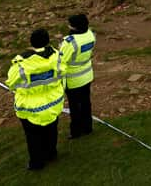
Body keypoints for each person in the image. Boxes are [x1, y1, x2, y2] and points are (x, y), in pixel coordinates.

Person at [6, 29, 65, 170]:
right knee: (51, 131)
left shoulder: (22, 63)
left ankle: (37, 163)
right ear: (47, 41)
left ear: (31, 42)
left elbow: (11, 82)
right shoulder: (56, 56)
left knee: (33, 137)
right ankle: (51, 154)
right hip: (53, 103)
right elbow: (63, 71)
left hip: (31, 109)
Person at [60, 14, 95, 139]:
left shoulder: (70, 42)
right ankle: (88, 127)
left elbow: (61, 61)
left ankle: (76, 131)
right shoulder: (90, 34)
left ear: (74, 27)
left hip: (73, 79)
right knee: (86, 103)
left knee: (75, 107)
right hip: (87, 74)